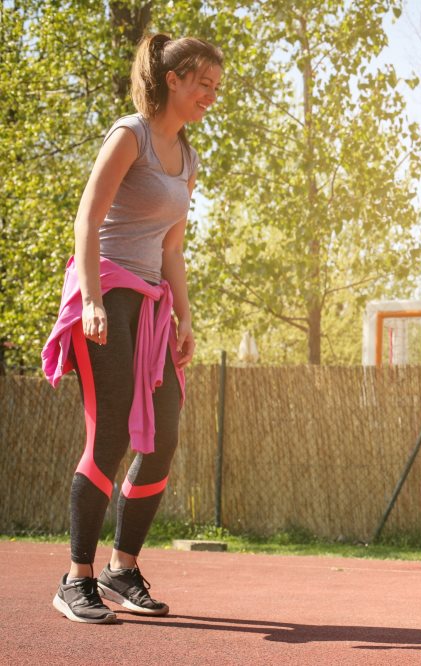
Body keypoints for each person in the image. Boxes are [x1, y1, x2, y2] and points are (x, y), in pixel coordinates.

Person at [41, 34, 223, 624]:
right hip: (105, 292)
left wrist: (185, 314)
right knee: (111, 434)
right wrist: (91, 299)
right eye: (202, 83)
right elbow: (87, 219)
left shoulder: (188, 156)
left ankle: (122, 567)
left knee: (163, 435)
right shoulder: (130, 135)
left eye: (216, 88)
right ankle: (77, 578)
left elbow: (173, 246)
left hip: (150, 303)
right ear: (172, 79)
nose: (209, 96)